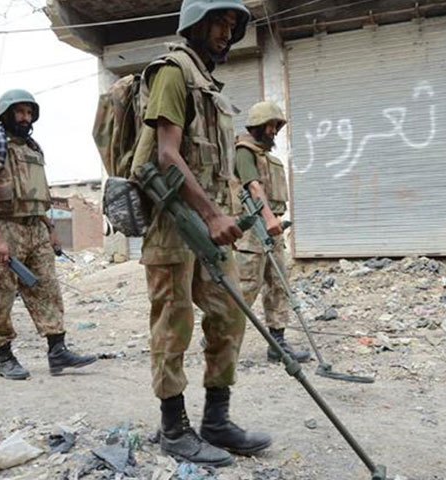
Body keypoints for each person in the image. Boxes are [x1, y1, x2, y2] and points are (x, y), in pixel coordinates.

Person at [133, 0, 270, 466]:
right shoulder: (173, 72)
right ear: (195, 23)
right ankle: (174, 429)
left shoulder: (209, 83)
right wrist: (212, 215)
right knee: (173, 325)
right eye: (219, 21)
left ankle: (216, 420)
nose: (226, 32)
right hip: (175, 221)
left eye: (232, 25)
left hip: (209, 219)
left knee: (230, 313)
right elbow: (167, 155)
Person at [0, 89, 96, 380]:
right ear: (7, 114)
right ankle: (4, 356)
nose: (25, 118)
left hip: (36, 229)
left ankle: (57, 350)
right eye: (20, 112)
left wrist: (51, 230)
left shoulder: (33, 150)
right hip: (6, 227)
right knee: (0, 294)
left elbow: (39, 194)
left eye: (29, 113)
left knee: (47, 289)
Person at [232, 101, 310, 363]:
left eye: (276, 125)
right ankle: (220, 338)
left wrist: (274, 222)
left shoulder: (269, 158)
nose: (273, 130)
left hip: (273, 228)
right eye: (270, 125)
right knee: (247, 287)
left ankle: (277, 343)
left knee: (278, 285)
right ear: (257, 126)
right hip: (253, 229)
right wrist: (267, 218)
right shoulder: (244, 151)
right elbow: (253, 187)